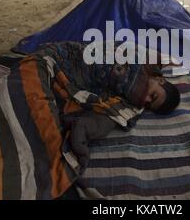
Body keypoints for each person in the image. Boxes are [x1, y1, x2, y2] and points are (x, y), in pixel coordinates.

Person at [34, 41, 181, 171]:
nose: (146, 99)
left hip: (64, 81)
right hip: (63, 57)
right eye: (154, 95)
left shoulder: (132, 103)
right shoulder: (142, 61)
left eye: (149, 104)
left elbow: (113, 113)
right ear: (160, 80)